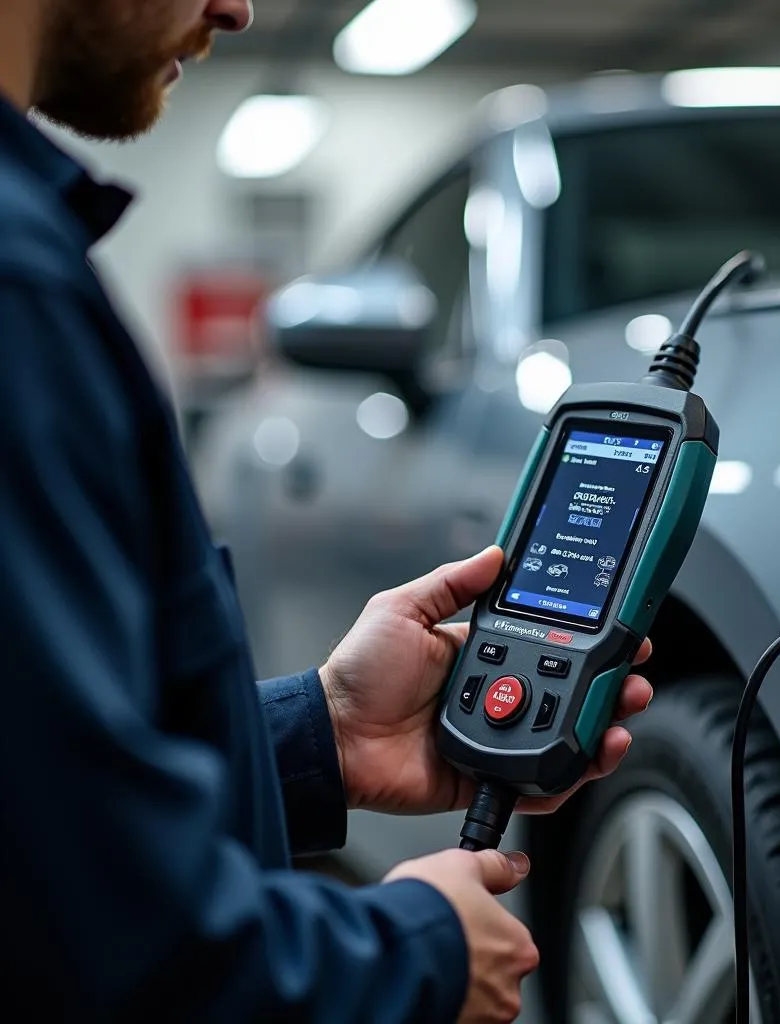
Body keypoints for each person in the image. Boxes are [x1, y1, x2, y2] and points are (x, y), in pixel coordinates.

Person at [0, 1, 656, 1021]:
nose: (238, 6)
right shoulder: (18, 280)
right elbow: (88, 933)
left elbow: (36, 782)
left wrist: (319, 735)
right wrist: (414, 954)